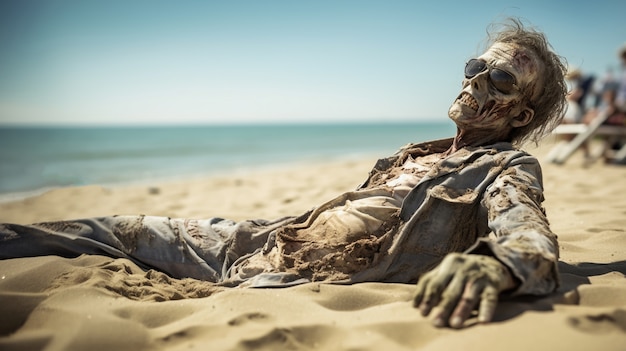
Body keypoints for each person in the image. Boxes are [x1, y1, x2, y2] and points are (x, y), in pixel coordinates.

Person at [0, 18, 567, 329]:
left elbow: (527, 231)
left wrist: (498, 266)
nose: (476, 82)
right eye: (475, 67)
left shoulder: (506, 164)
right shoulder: (414, 151)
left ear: (519, 114)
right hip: (268, 238)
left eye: (500, 80)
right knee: (113, 228)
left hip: (305, 277)